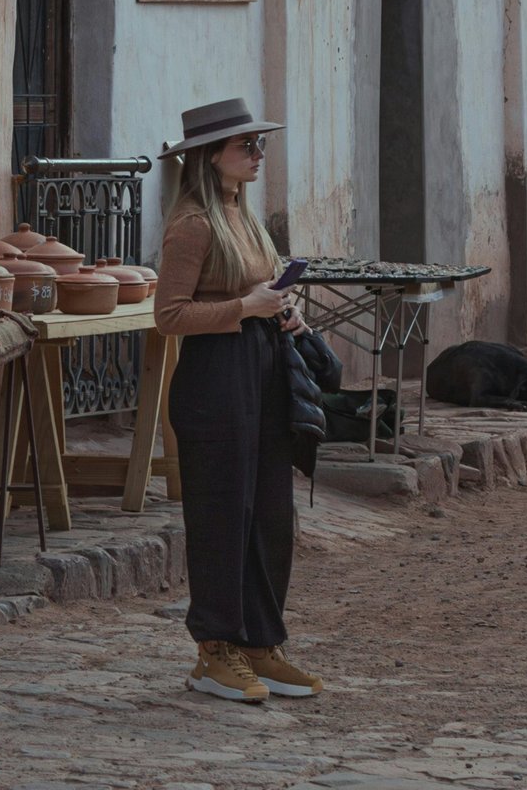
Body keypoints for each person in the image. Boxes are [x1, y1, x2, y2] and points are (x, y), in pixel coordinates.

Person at [155, 97, 321, 703]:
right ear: (210, 157)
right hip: (214, 379)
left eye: (259, 145)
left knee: (271, 514)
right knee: (222, 513)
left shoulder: (243, 217)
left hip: (263, 368)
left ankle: (259, 643)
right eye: (244, 146)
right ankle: (214, 652)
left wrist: (282, 310)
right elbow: (168, 315)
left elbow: (258, 290)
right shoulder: (193, 223)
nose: (256, 155)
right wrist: (244, 308)